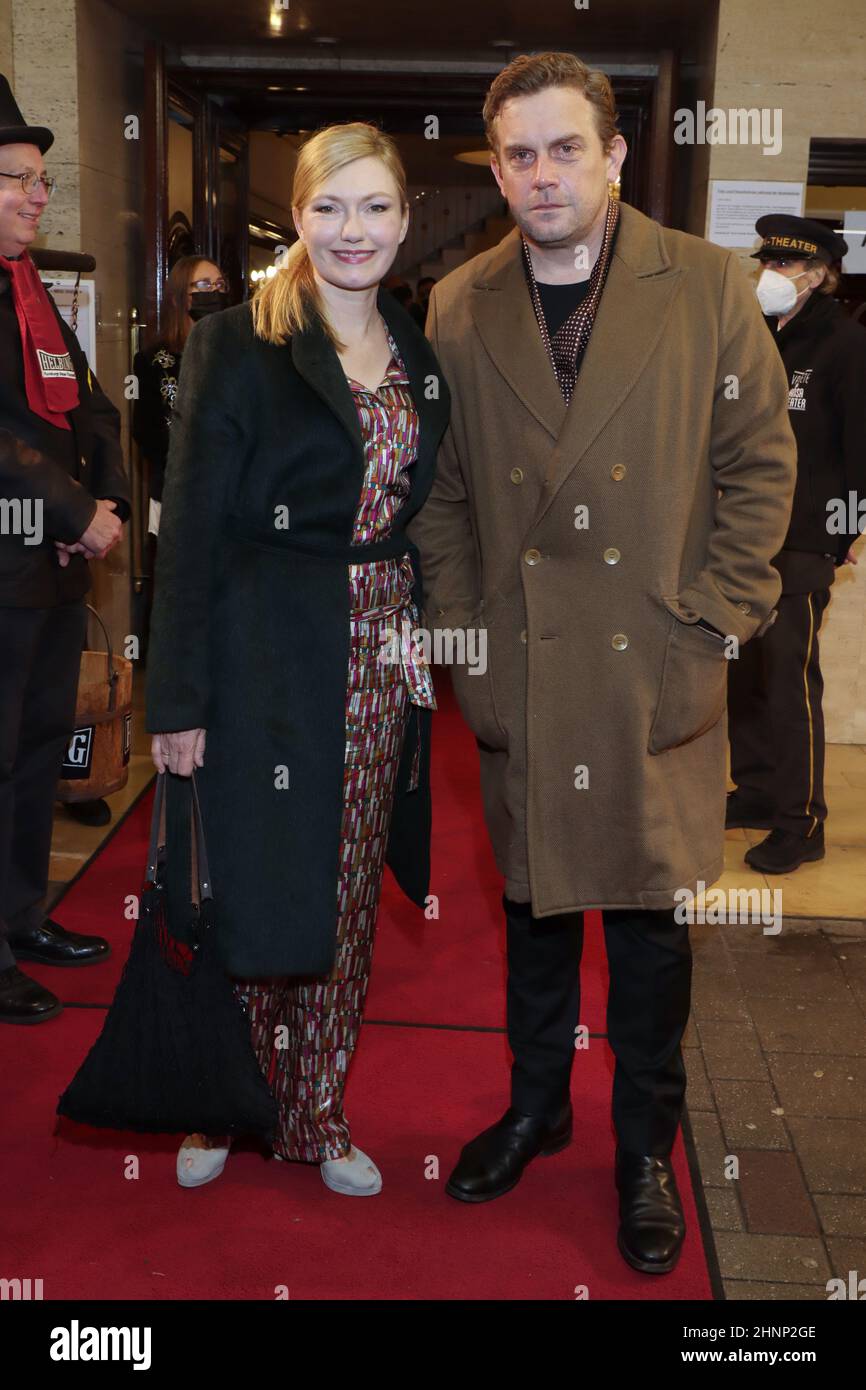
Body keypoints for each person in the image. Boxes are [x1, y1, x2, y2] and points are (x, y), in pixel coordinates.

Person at [407, 51, 796, 1274]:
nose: (539, 174)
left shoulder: (707, 285)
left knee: (646, 933)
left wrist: (717, 616)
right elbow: (443, 497)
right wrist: (467, 636)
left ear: (614, 154)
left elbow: (758, 466)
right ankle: (534, 1107)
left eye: (563, 147)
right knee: (528, 911)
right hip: (526, 664)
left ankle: (642, 1146)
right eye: (516, 154)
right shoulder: (458, 300)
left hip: (652, 667)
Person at [145, 122, 450, 1195]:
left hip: (372, 653)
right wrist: (174, 696)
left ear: (405, 220)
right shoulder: (236, 340)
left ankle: (314, 1110)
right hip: (255, 649)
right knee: (242, 880)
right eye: (329, 207)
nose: (351, 230)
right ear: (299, 219)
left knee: (341, 890)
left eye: (374, 208)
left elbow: (427, 512)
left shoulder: (418, 349)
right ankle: (223, 1102)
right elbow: (185, 529)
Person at [0, 74, 129, 1025]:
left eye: (41, 180)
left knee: (40, 751)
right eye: (18, 179)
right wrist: (70, 506)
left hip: (45, 569)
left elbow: (87, 403)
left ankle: (21, 918)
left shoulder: (30, 285)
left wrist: (111, 496)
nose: (38, 196)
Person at [727, 215, 866, 873]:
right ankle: (756, 790)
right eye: (767, 265)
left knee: (789, 680)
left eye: (784, 268)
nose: (770, 277)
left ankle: (800, 822)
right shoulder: (756, 338)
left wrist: (845, 533)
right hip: (743, 537)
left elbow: (862, 446)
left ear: (818, 274)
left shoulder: (844, 345)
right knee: (745, 674)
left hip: (805, 540)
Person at [132, 255, 228, 540]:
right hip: (178, 494)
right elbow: (145, 432)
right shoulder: (152, 360)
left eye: (220, 285)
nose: (214, 291)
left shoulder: (243, 352)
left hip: (235, 495)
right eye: (203, 284)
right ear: (179, 297)